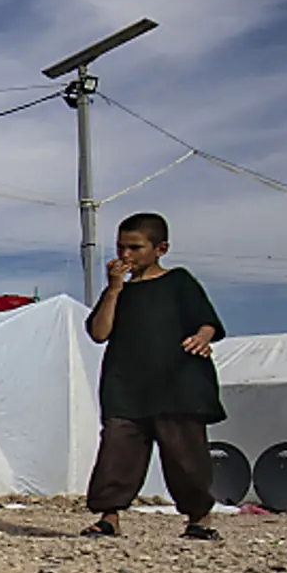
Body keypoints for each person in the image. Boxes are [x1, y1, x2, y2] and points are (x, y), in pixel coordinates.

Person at [83, 211, 225, 541]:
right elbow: (99, 333)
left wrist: (203, 336)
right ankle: (109, 517)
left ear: (160, 249)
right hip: (126, 385)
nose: (125, 256)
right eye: (120, 248)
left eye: (135, 248)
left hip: (177, 383)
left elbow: (207, 321)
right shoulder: (118, 293)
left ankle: (199, 519)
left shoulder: (178, 281)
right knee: (117, 452)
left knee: (185, 456)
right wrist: (114, 290)